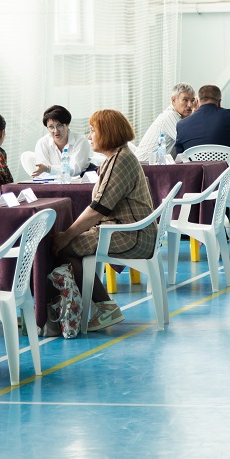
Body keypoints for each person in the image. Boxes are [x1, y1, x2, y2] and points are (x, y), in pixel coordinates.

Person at [52, 110, 156, 332]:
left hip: (132, 235)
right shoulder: (116, 157)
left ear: (107, 133)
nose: (89, 136)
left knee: (63, 249)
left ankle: (105, 306)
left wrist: (66, 236)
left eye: (93, 130)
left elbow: (98, 209)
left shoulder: (121, 160)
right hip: (124, 230)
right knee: (64, 244)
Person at [174, 84, 230, 171]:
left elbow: (180, 160)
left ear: (197, 102)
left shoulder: (182, 125)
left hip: (197, 178)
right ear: (219, 102)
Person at [134, 83, 196, 162]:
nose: (190, 105)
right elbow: (190, 142)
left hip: (156, 165)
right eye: (185, 100)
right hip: (145, 165)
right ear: (173, 101)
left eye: (192, 100)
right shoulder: (170, 116)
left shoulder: (181, 118)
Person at [31, 105, 92, 177]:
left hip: (79, 182)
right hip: (51, 183)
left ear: (67, 124)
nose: (56, 131)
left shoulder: (80, 141)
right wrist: (47, 170)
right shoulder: (42, 143)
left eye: (59, 125)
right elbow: (43, 173)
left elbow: (75, 169)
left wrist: (48, 169)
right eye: (51, 127)